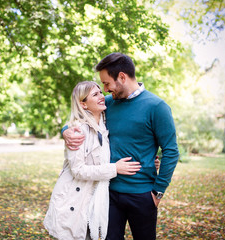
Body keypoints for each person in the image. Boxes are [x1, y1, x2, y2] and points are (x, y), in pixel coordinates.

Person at [63, 53, 179, 239]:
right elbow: (80, 116)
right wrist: (66, 131)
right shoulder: (108, 104)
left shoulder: (157, 107)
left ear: (122, 77)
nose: (105, 90)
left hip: (142, 195)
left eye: (107, 84)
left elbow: (171, 151)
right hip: (108, 193)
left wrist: (158, 192)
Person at [44, 81, 159, 240]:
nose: (102, 97)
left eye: (100, 92)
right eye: (95, 94)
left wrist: (147, 161)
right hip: (74, 202)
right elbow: (78, 170)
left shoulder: (104, 123)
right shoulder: (77, 131)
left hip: (96, 201)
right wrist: (115, 169)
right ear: (83, 105)